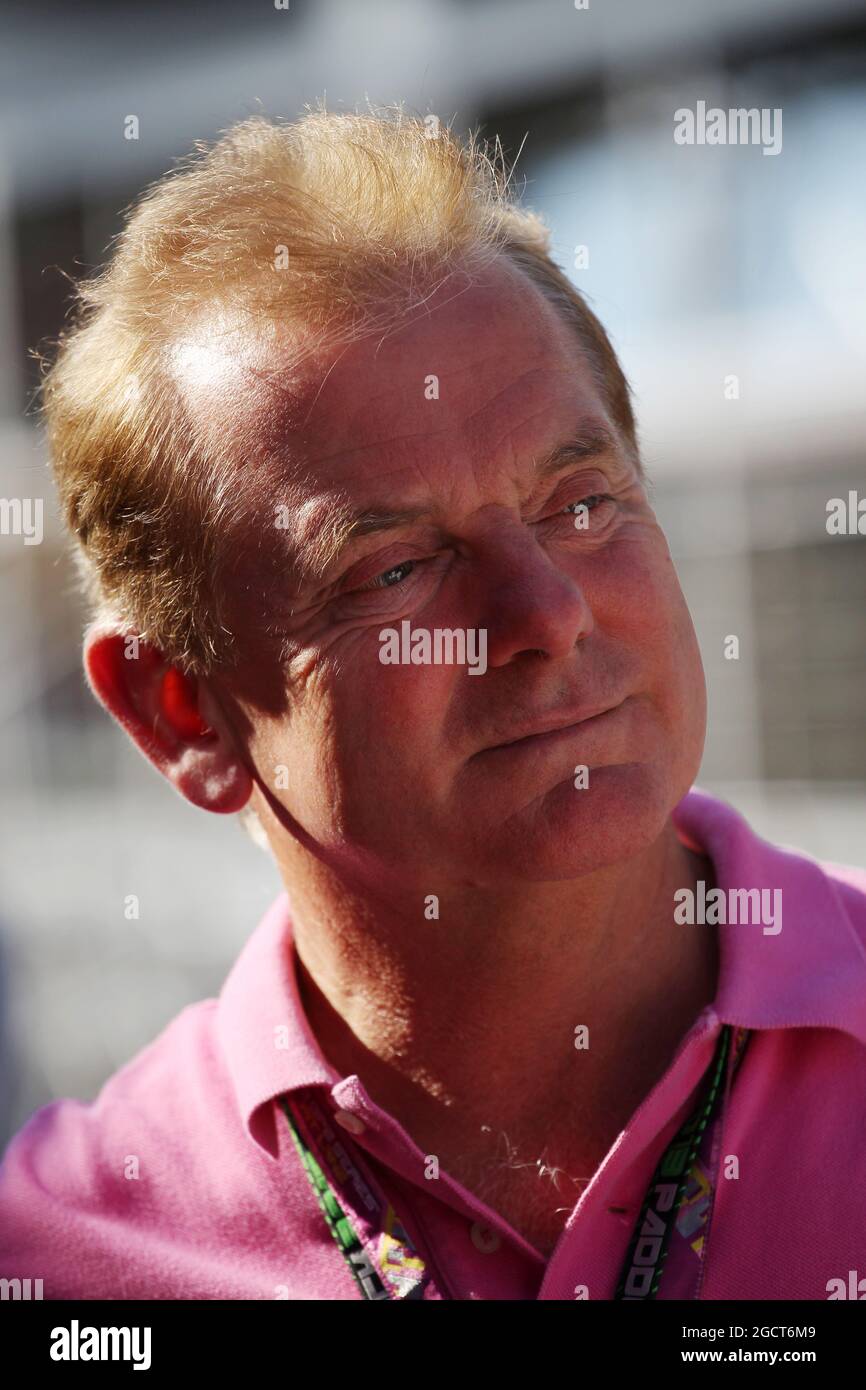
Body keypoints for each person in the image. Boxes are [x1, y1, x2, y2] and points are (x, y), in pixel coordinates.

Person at [2, 105, 865, 1302]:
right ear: (178, 713)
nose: (543, 611)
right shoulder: (61, 1258)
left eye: (579, 501)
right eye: (394, 566)